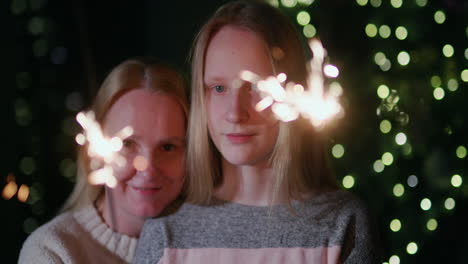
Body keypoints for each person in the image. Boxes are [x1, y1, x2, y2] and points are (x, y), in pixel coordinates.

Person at [134, 1, 380, 263]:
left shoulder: (342, 223)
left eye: (256, 88)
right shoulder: (166, 233)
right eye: (219, 88)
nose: (235, 113)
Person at [18, 59, 189, 264]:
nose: (148, 168)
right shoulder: (52, 250)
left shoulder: (213, 243)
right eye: (127, 144)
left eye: (168, 147)